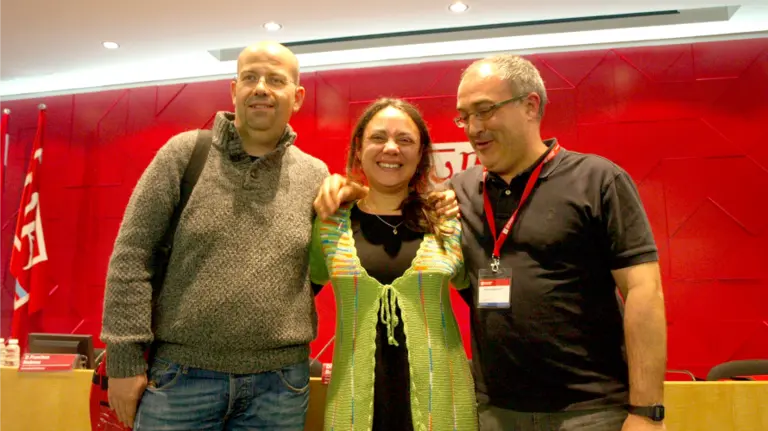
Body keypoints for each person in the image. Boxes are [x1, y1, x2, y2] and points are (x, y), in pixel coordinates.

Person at [314, 54, 668, 431]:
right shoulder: (457, 195)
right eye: (464, 116)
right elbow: (393, 199)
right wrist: (346, 189)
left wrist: (647, 411)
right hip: (495, 411)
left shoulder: (597, 180)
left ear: (531, 105)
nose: (473, 127)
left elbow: (644, 291)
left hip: (589, 409)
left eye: (485, 110)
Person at [101, 41, 330, 430]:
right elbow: (132, 255)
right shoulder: (185, 154)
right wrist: (123, 360)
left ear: (297, 96)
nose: (261, 87)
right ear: (233, 90)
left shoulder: (315, 175)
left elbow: (314, 272)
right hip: (180, 380)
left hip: (279, 388)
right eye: (250, 77)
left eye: (276, 80)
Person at [309, 98, 478, 431]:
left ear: (421, 153)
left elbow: (483, 302)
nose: (391, 148)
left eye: (405, 140)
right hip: (352, 405)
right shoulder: (330, 222)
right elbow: (296, 294)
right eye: (378, 138)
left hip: (443, 405)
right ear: (358, 149)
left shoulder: (446, 221)